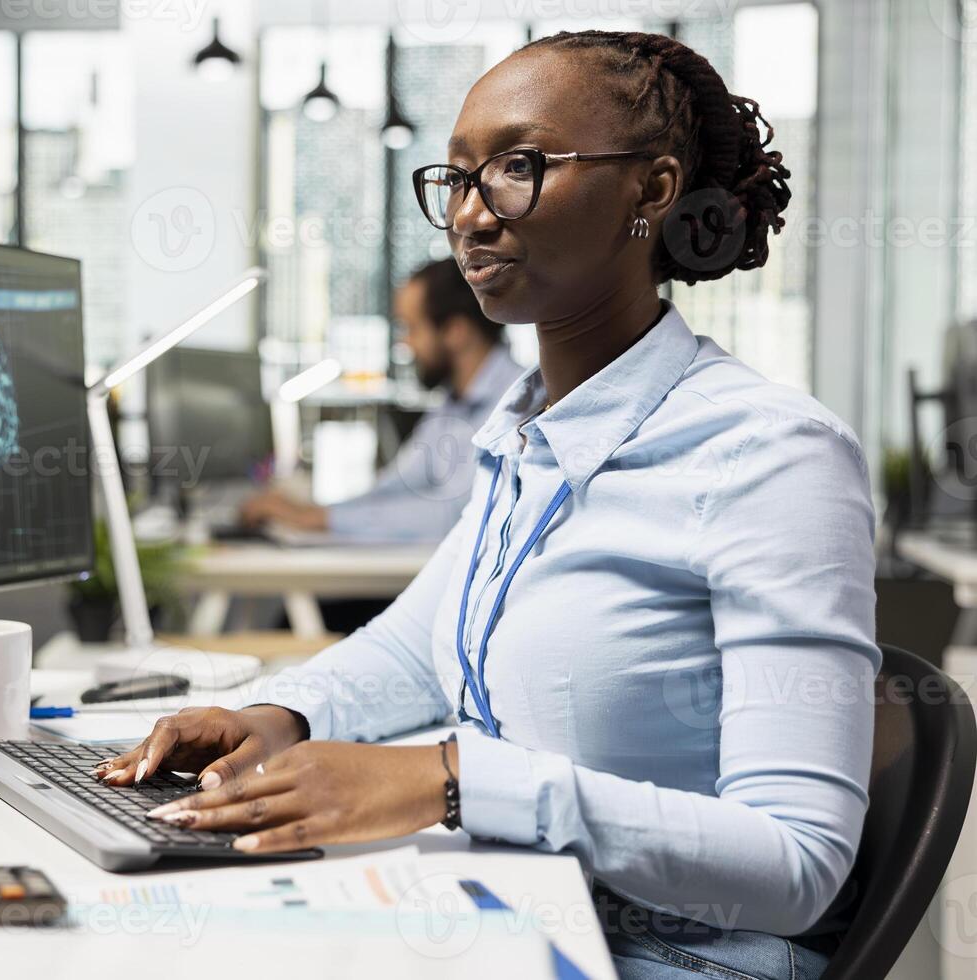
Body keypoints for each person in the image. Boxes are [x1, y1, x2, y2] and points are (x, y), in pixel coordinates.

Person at [93, 30, 877, 980]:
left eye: (518, 167)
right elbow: (415, 644)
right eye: (456, 177)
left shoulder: (768, 455)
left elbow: (799, 866)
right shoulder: (524, 429)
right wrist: (281, 714)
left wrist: (451, 782)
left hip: (674, 954)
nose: (469, 215)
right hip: (519, 904)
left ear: (653, 189)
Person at [238, 259, 522, 543]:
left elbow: (457, 515)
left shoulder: (516, 403)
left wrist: (317, 518)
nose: (405, 345)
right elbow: (397, 485)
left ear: (456, 331)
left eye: (412, 329)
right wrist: (312, 512)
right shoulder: (453, 402)